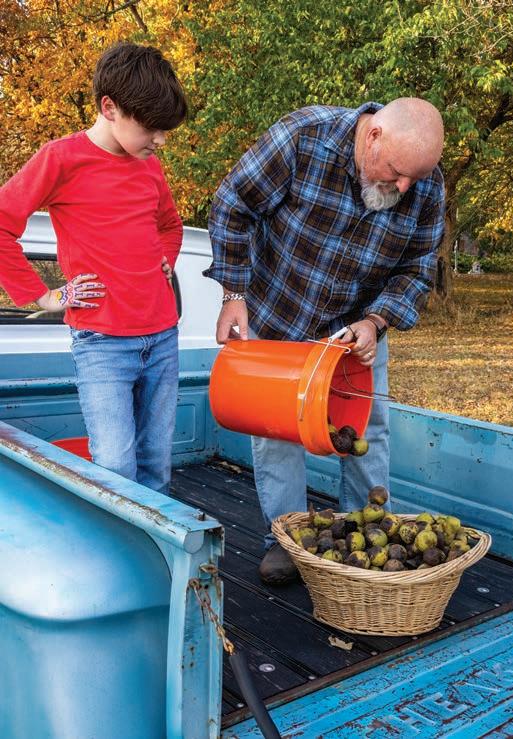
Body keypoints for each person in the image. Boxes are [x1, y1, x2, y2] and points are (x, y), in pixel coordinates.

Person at [204, 98, 445, 583]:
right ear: (373, 136)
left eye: (414, 179)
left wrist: (375, 321)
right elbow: (233, 204)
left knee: (368, 430)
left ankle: (366, 531)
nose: (403, 187)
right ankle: (288, 541)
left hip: (357, 331)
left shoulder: (427, 185)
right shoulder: (302, 137)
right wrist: (233, 293)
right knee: (277, 434)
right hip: (280, 314)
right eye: (397, 172)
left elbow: (418, 269)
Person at [0, 42, 187, 493]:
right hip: (102, 342)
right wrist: (44, 296)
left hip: (163, 335)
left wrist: (166, 259)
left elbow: (170, 225)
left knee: (157, 462)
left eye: (164, 131)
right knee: (116, 467)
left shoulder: (150, 166)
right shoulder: (60, 158)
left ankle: (158, 541)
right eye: (151, 129)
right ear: (109, 108)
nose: (160, 141)